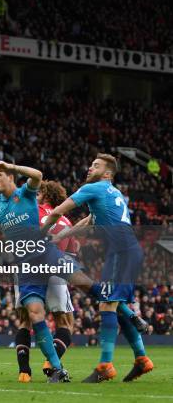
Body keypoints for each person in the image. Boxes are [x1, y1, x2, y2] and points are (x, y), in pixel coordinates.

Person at [0, 161, 72, 383]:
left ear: (10, 176)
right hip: (26, 265)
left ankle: (125, 312)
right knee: (38, 314)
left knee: (43, 317)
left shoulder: (26, 194)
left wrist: (11, 165)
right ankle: (55, 368)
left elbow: (37, 174)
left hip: (47, 256)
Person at [41, 153, 154, 383]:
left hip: (121, 252)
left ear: (108, 173)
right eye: (90, 164)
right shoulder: (113, 193)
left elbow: (56, 211)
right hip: (128, 250)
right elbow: (88, 221)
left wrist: (42, 232)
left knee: (107, 304)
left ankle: (105, 365)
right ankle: (142, 358)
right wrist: (60, 236)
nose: (89, 168)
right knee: (115, 302)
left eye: (96, 165)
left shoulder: (93, 189)